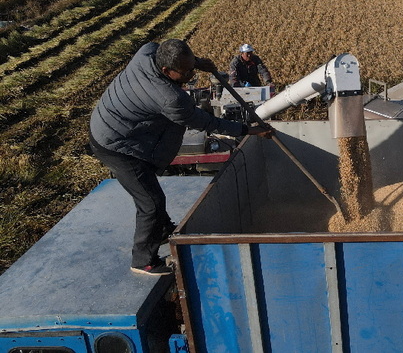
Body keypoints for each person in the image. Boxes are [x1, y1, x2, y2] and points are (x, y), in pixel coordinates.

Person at [89, 39, 273, 275]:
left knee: (149, 191)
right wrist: (248, 130)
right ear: (166, 71)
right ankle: (143, 261)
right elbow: (207, 122)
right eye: (185, 72)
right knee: (151, 203)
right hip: (115, 144)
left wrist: (197, 63)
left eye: (191, 68)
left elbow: (163, 51)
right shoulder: (170, 98)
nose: (190, 75)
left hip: (118, 124)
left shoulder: (148, 52)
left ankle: (164, 229)